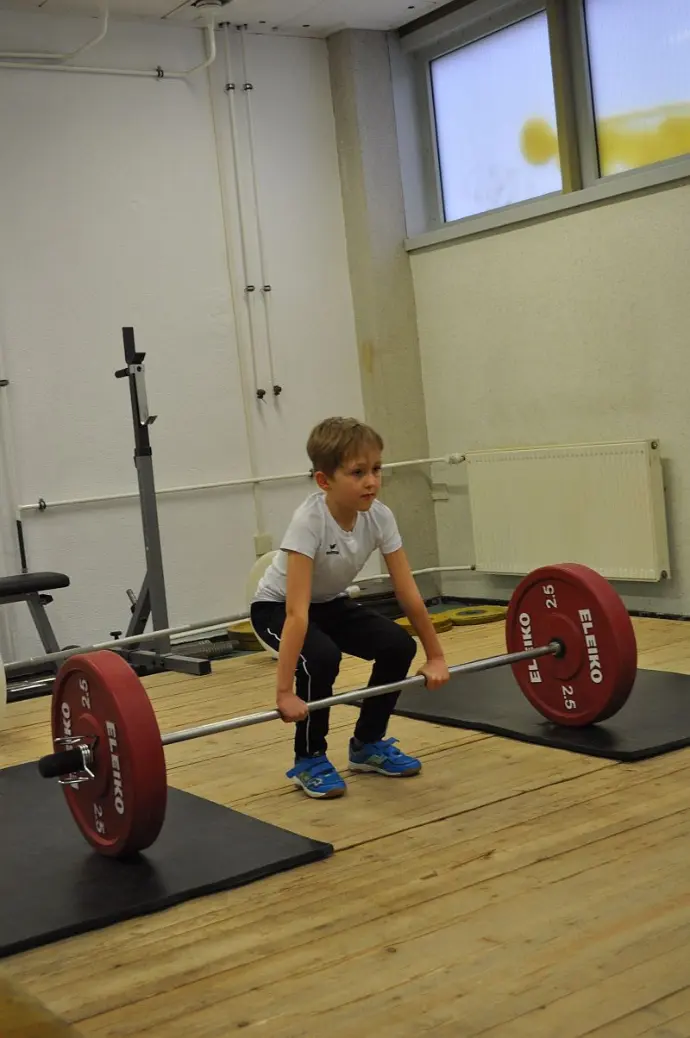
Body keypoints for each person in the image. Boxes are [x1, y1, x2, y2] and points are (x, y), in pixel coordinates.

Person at [250, 417, 451, 799]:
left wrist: (436, 656)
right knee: (321, 658)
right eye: (358, 473)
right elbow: (296, 613)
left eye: (376, 469)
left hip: (328, 603)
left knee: (398, 646)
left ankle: (367, 744)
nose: (371, 481)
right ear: (324, 481)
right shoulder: (309, 522)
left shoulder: (380, 516)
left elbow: (407, 591)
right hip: (276, 607)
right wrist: (284, 692)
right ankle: (309, 758)